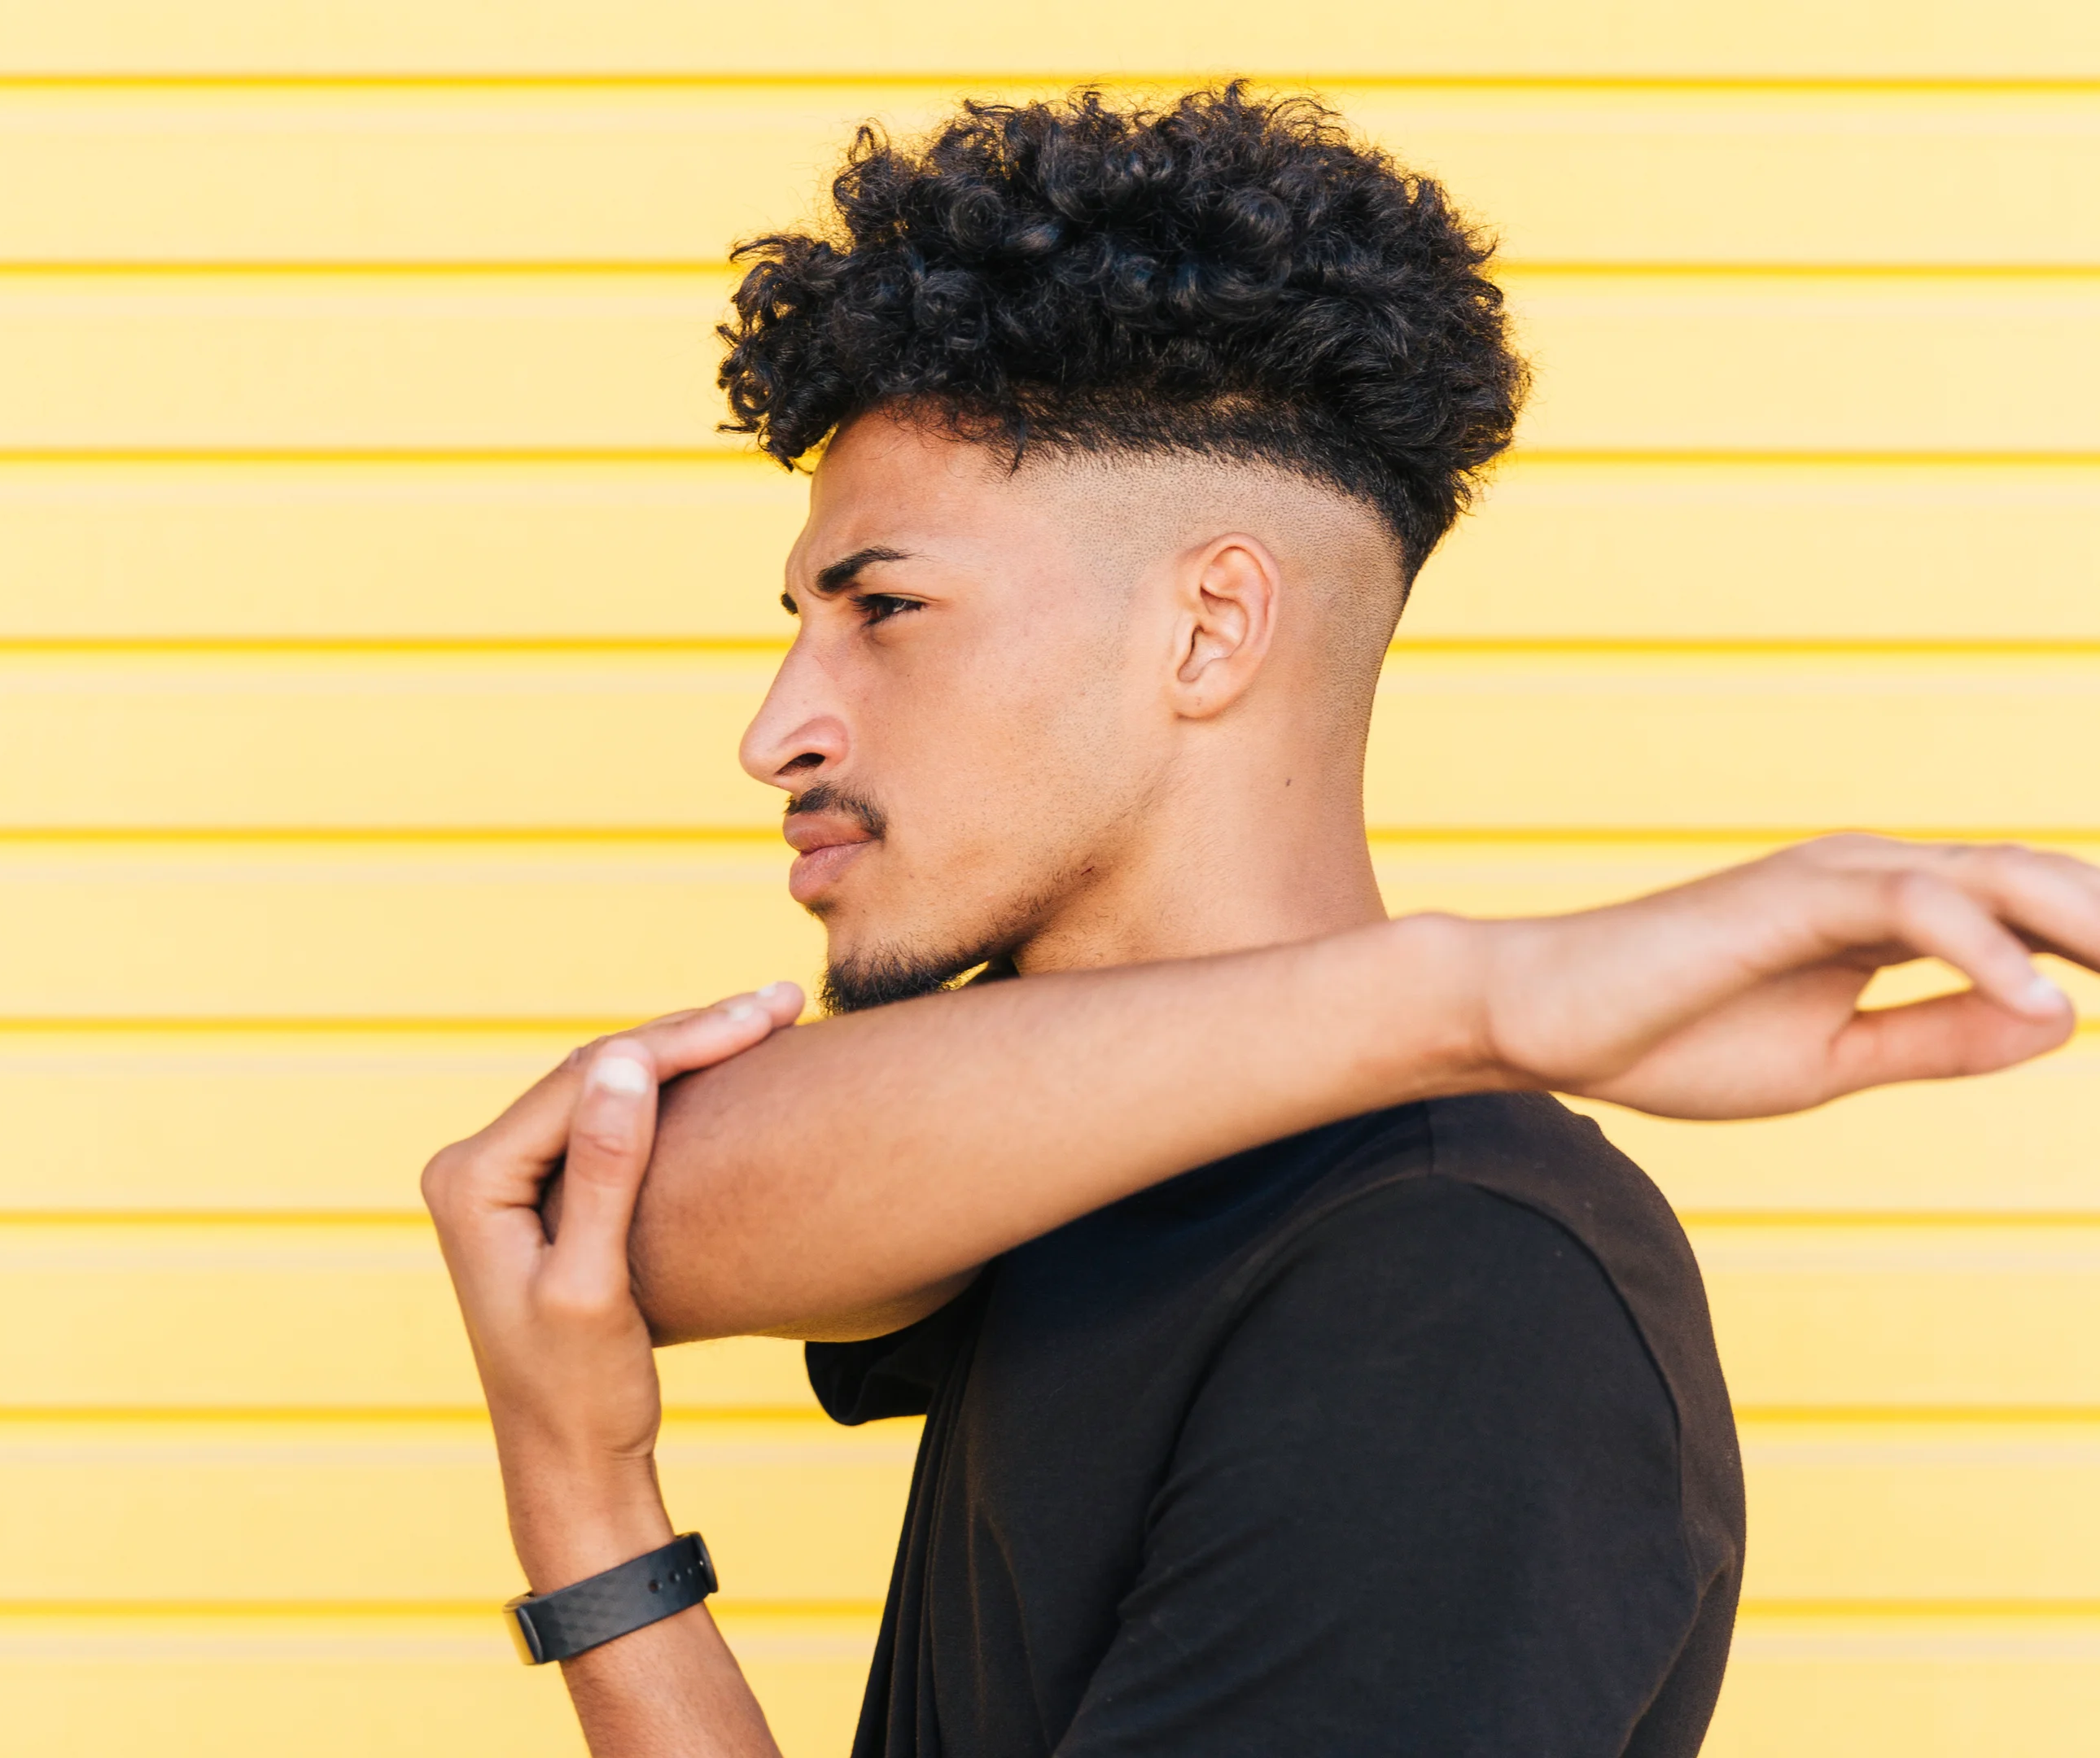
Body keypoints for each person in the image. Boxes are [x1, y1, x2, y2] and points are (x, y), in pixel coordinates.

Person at [423, 88, 2100, 1757]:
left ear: (1211, 628)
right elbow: (621, 1209)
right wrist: (1480, 992)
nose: (777, 728)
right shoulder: (1080, 1148)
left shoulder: (1456, 1297)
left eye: (885, 611)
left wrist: (596, 1523)